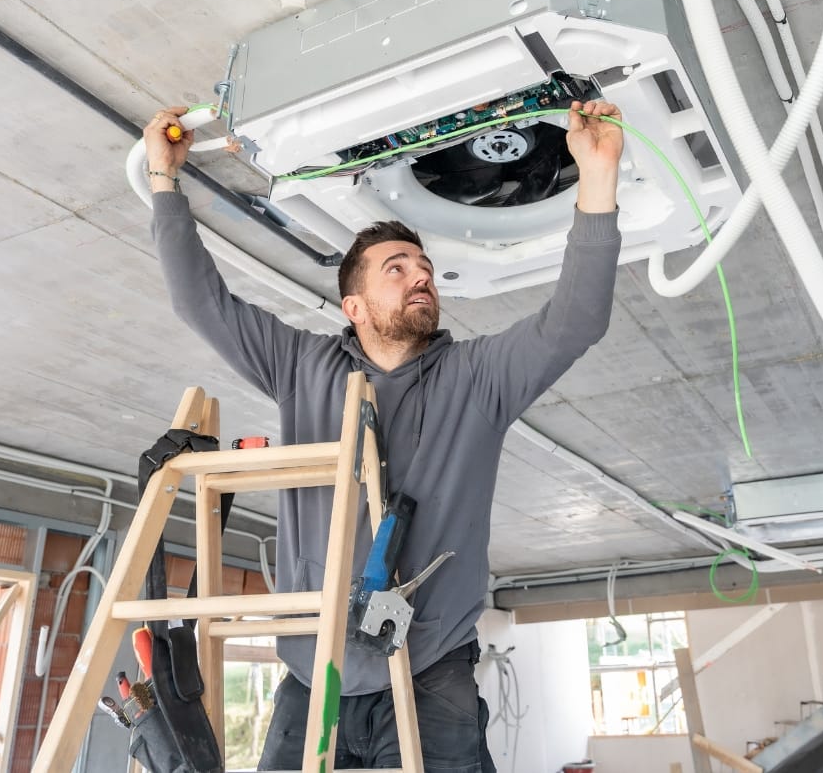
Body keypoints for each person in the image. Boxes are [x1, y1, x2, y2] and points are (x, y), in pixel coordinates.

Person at [145, 99, 624, 772]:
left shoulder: (477, 377)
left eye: (423, 267)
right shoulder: (302, 365)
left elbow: (574, 321)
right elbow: (201, 302)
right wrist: (165, 182)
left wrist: (597, 179)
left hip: (431, 674)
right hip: (315, 675)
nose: (420, 275)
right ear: (355, 307)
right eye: (396, 268)